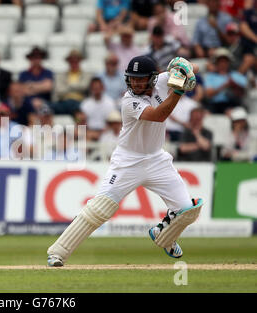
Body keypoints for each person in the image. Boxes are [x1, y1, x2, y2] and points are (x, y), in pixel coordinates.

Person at [47, 55, 203, 267]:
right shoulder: (129, 101)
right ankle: (58, 253)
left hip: (157, 159)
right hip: (128, 161)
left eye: (141, 79)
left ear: (153, 78)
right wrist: (178, 91)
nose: (136, 83)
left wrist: (186, 70)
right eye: (133, 78)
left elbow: (189, 67)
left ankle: (163, 234)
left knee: (188, 210)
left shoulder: (164, 80)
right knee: (100, 209)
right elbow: (159, 115)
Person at [204, 48, 248, 114]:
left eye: (225, 61)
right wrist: (224, 85)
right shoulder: (210, 76)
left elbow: (243, 92)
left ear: (229, 62)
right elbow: (208, 94)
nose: (223, 63)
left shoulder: (236, 75)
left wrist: (233, 84)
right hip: (215, 105)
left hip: (233, 104)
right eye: (220, 61)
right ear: (216, 63)